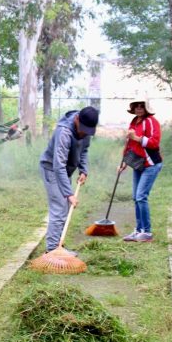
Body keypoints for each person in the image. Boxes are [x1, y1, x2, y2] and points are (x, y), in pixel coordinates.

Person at [39, 106, 99, 253]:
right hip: (52, 169)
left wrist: (83, 169)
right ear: (77, 119)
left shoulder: (86, 128)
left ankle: (59, 246)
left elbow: (84, 150)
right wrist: (69, 194)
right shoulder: (64, 132)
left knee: (65, 208)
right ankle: (52, 249)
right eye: (82, 129)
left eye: (87, 131)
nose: (83, 133)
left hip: (65, 171)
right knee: (59, 208)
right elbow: (58, 165)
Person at [120, 98, 163, 242]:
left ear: (146, 108)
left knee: (141, 197)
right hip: (138, 164)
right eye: (136, 106)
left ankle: (147, 232)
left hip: (151, 164)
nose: (139, 108)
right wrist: (125, 162)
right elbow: (130, 143)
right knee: (135, 197)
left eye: (141, 106)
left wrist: (137, 138)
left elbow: (154, 142)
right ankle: (139, 230)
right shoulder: (134, 122)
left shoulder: (151, 121)